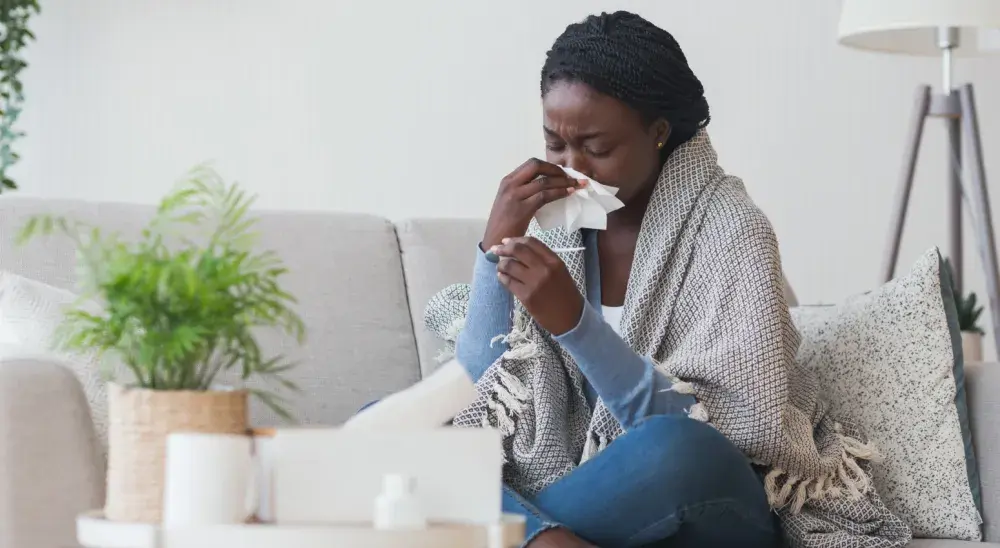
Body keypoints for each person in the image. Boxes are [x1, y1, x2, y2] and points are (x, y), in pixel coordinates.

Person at [424, 10, 908, 548]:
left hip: (708, 500)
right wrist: (494, 250)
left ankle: (525, 532)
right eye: (555, 144)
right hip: (590, 498)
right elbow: (476, 390)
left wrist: (576, 325)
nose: (572, 167)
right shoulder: (557, 229)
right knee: (389, 431)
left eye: (597, 146)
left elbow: (726, 433)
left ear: (657, 133)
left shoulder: (731, 229)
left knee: (674, 450)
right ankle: (543, 537)